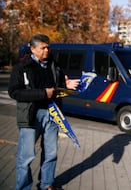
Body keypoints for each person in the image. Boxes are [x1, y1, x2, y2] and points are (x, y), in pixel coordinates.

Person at [8, 34, 80, 190]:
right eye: (43, 47)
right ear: (33, 49)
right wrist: (42, 93)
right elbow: (14, 92)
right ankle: (23, 187)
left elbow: (58, 83)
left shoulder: (54, 64)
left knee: (51, 153)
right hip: (31, 115)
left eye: (48, 47)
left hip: (53, 113)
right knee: (26, 157)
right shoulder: (21, 67)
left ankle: (47, 184)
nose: (47, 50)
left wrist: (66, 83)